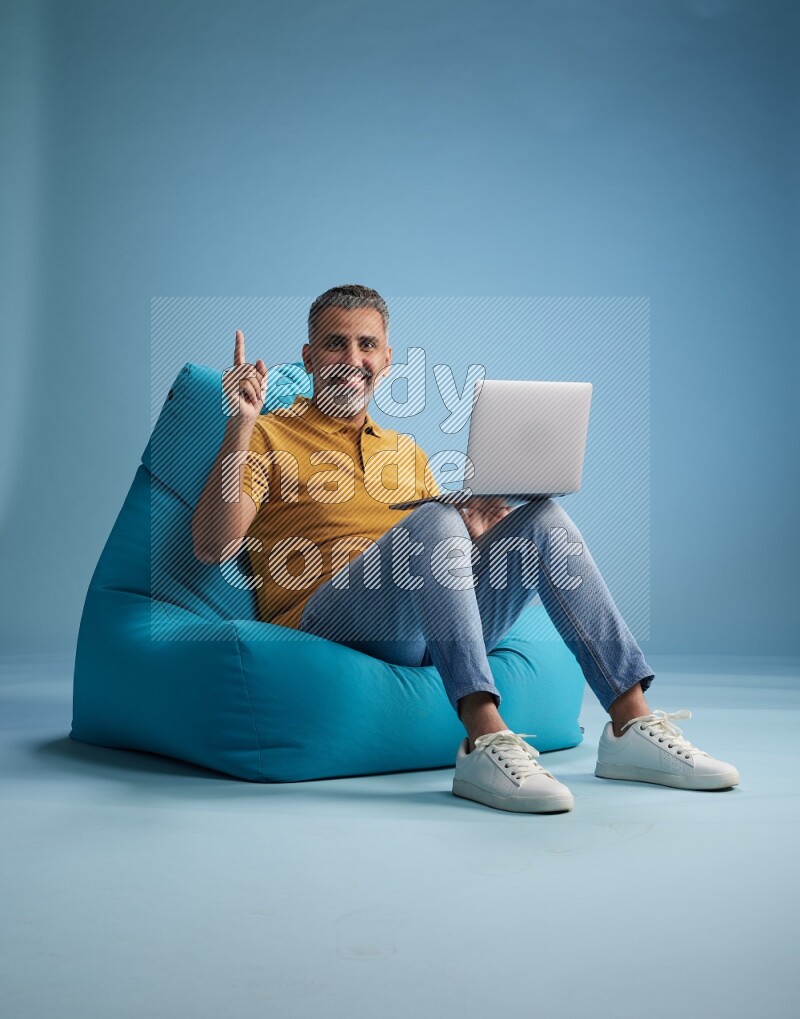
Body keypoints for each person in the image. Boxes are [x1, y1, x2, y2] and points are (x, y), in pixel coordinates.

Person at [192, 285, 740, 813]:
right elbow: (214, 545)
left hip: (425, 627)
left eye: (367, 345)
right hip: (330, 619)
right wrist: (240, 424)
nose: (351, 358)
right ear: (309, 358)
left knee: (541, 517)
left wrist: (479, 527)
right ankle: (484, 740)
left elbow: (439, 554)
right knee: (435, 516)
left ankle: (630, 724)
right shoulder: (268, 434)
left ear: (386, 360)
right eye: (335, 343)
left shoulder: (405, 451)